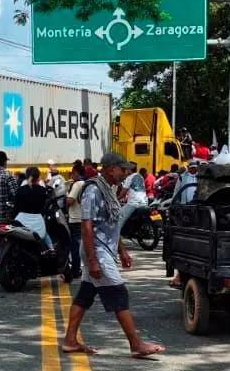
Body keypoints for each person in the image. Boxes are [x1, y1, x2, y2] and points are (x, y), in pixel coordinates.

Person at [62, 153, 165, 358]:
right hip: (97, 251)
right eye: (122, 168)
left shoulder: (107, 189)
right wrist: (92, 260)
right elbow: (87, 227)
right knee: (119, 294)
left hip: (103, 249)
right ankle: (135, 344)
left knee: (85, 295)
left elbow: (111, 223)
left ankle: (70, 341)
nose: (126, 172)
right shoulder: (92, 190)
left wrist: (122, 250)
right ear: (110, 169)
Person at [14, 166, 54, 252]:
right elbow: (44, 207)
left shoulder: (20, 190)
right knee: (45, 235)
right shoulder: (42, 190)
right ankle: (52, 250)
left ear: (26, 176)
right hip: (38, 223)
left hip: (21, 222)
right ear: (38, 177)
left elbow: (16, 207)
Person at [66, 163, 86, 278]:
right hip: (82, 217)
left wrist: (66, 193)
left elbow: (70, 201)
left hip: (75, 219)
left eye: (73, 173)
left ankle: (76, 269)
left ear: (77, 173)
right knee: (80, 244)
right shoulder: (84, 183)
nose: (71, 175)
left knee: (75, 246)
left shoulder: (77, 184)